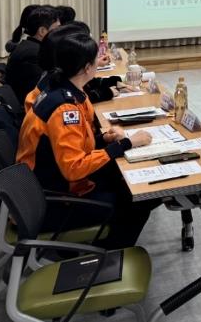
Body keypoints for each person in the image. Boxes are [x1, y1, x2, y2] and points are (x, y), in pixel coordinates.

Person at [16, 33, 158, 250]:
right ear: (86, 68)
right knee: (138, 199)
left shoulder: (59, 88)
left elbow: (72, 142)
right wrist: (125, 144)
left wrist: (103, 139)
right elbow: (74, 168)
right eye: (95, 60)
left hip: (46, 185)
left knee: (128, 181)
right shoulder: (65, 109)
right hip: (54, 200)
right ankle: (107, 255)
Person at [5, 6, 60, 104]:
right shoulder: (33, 54)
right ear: (42, 31)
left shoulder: (29, 45)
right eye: (57, 29)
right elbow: (41, 90)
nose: (60, 33)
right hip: (30, 106)